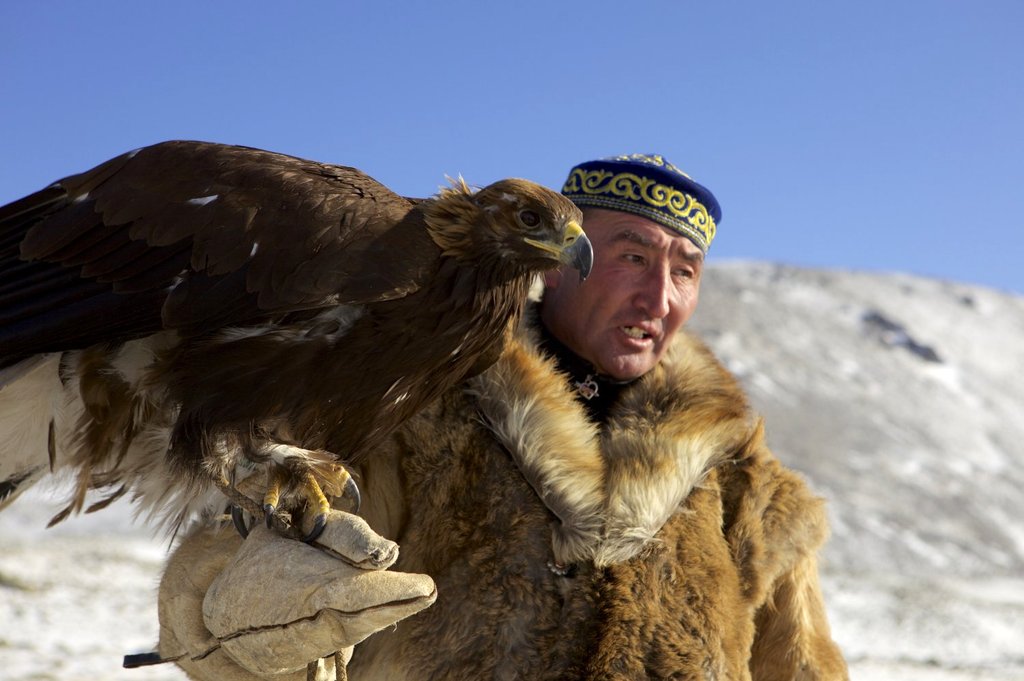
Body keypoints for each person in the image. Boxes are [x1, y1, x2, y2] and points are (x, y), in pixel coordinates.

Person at [154, 154, 849, 680]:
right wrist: (249, 603)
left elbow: (803, 664)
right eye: (631, 256)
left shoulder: (746, 484)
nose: (657, 296)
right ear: (558, 262)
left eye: (685, 271)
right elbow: (227, 576)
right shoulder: (411, 407)